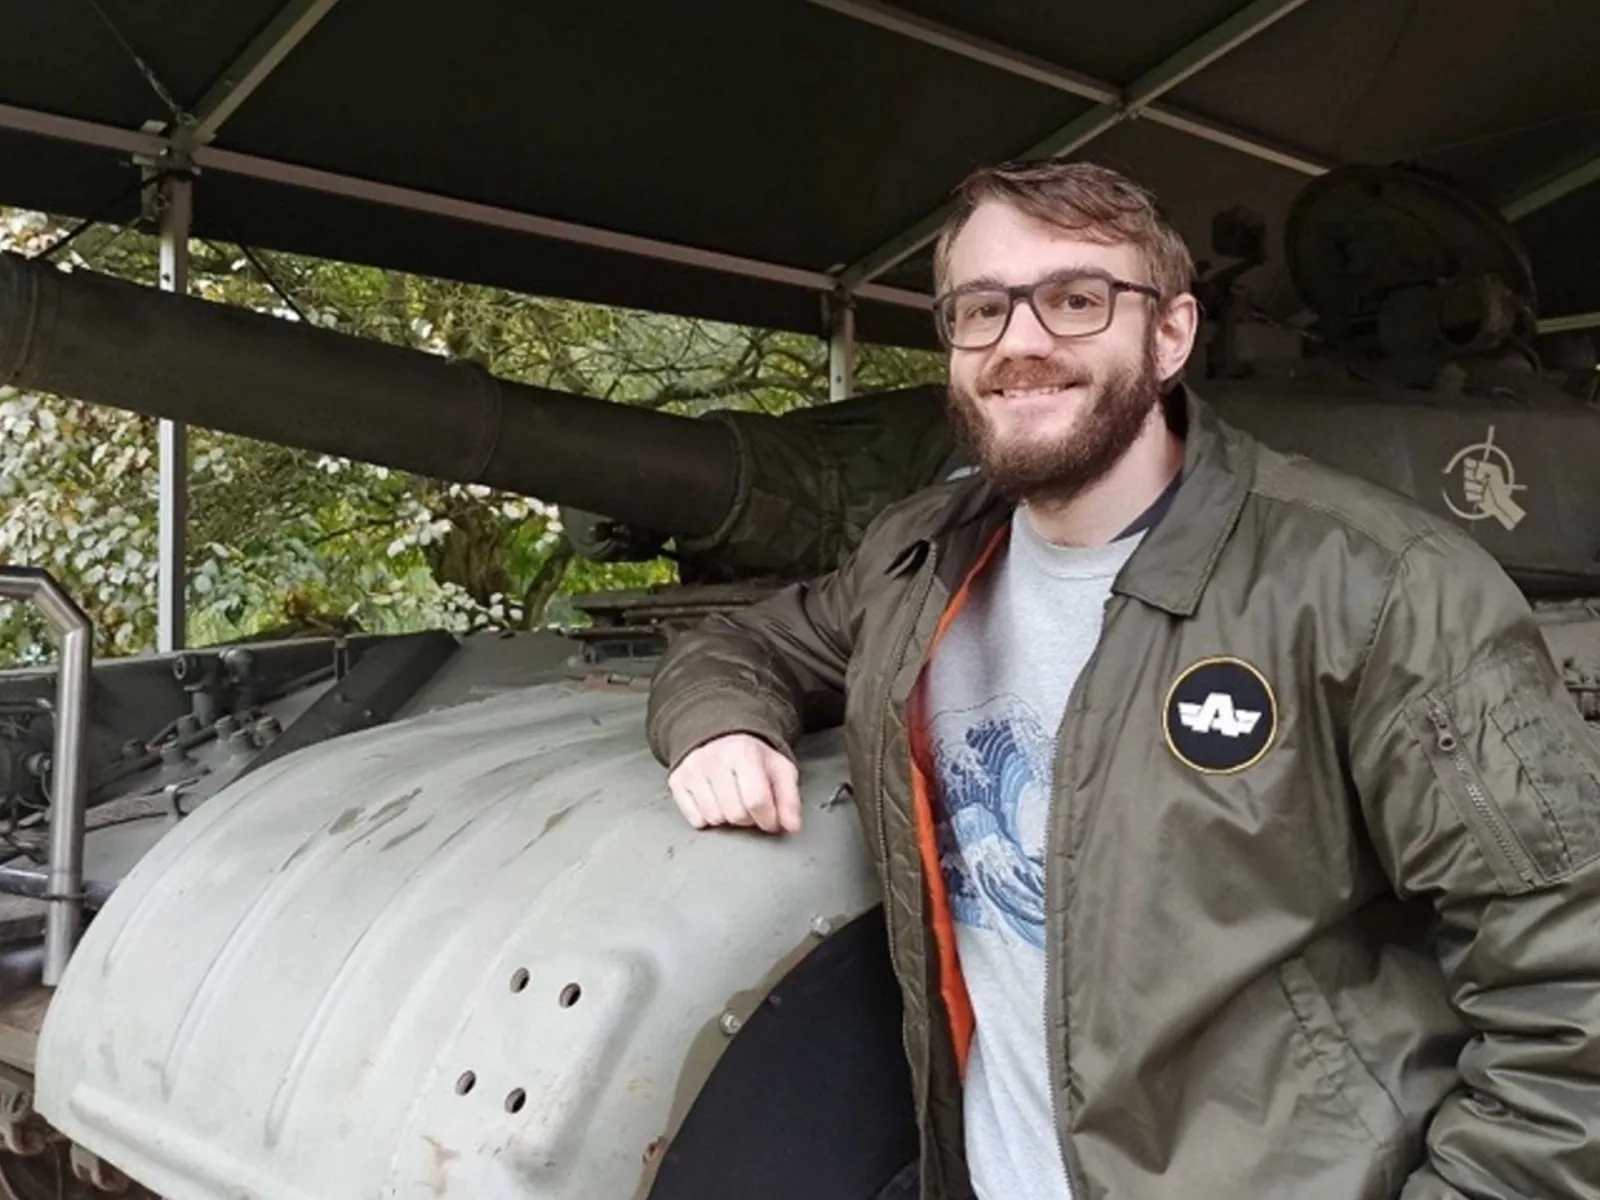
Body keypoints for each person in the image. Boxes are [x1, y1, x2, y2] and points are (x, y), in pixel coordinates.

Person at [644, 157, 1600, 1199]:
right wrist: (720, 724)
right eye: (982, 308)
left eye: (1074, 299)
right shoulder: (920, 561)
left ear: (1172, 333)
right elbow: (748, 644)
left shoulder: (1376, 587)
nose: (1021, 342)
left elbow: (1569, 987)